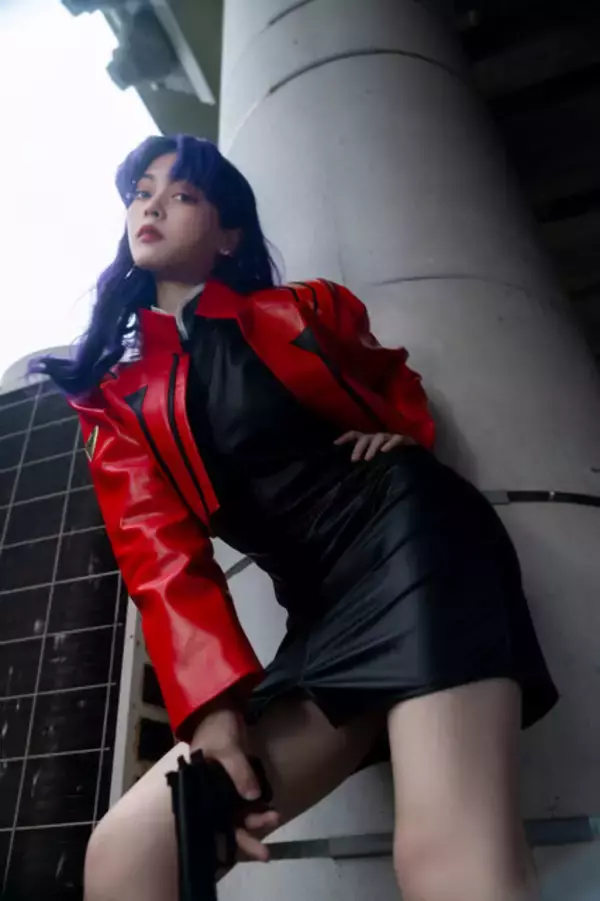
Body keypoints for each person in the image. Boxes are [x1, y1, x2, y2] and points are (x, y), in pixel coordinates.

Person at [37, 134, 558, 901]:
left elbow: (392, 376)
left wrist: (401, 433)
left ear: (228, 235)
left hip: (412, 544)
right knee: (126, 856)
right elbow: (159, 556)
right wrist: (213, 710)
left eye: (182, 194)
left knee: (447, 863)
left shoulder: (302, 309)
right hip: (316, 613)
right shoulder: (117, 403)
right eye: (142, 192)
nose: (152, 205)